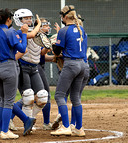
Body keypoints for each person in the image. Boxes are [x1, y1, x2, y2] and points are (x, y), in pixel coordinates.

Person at [0, 8, 37, 139]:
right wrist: (24, 34)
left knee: (3, 101)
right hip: (9, 67)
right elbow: (22, 48)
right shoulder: (9, 32)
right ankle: (4, 131)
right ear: (8, 20)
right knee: (9, 102)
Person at [50, 5, 87, 137]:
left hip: (71, 64)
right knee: (76, 98)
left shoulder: (64, 30)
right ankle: (79, 128)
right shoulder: (80, 28)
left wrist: (52, 44)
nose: (61, 18)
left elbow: (57, 51)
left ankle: (66, 126)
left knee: (59, 95)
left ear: (65, 17)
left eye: (62, 17)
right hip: (82, 64)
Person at [10, 9, 49, 130]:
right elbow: (30, 35)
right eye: (26, 18)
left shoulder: (37, 32)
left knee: (42, 96)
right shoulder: (19, 32)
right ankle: (19, 122)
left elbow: (40, 53)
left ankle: (29, 119)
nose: (29, 20)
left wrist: (48, 47)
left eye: (30, 18)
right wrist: (39, 25)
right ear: (19, 20)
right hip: (23, 67)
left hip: (34, 67)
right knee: (28, 96)